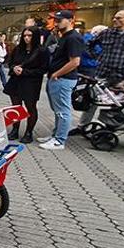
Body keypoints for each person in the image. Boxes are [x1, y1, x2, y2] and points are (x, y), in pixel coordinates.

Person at [70, 10, 124, 135]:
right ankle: (82, 126)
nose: (114, 20)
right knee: (91, 98)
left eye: (119, 18)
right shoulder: (107, 33)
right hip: (104, 72)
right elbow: (88, 44)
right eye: (114, 17)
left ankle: (111, 126)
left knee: (121, 103)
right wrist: (96, 56)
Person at [39, 10, 84, 150]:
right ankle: (56, 135)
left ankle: (59, 140)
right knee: (58, 109)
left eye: (60, 20)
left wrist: (57, 74)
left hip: (63, 79)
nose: (56, 22)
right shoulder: (64, 36)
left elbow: (75, 61)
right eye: (56, 20)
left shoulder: (73, 38)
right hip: (59, 78)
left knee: (62, 110)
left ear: (71, 20)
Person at [4, 27, 49, 143]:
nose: (27, 38)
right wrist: (14, 68)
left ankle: (29, 132)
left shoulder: (41, 51)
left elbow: (43, 69)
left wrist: (25, 72)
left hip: (31, 82)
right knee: (16, 106)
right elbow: (10, 62)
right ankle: (15, 129)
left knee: (30, 107)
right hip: (16, 81)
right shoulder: (18, 49)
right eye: (25, 36)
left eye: (29, 35)